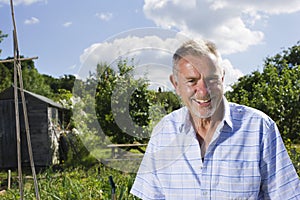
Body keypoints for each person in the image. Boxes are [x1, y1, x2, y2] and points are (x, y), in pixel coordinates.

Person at [130, 39, 300, 199]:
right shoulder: (164, 132)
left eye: (211, 79)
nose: (203, 91)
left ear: (223, 78)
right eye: (192, 81)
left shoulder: (259, 128)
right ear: (175, 84)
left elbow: (287, 195)